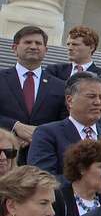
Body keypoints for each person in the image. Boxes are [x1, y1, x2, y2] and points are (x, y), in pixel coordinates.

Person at [0, 26, 68, 157]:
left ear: (45, 50)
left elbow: (64, 122)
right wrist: (15, 126)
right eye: (27, 42)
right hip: (4, 155)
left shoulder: (60, 86)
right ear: (14, 48)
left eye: (38, 43)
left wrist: (38, 134)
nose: (33, 46)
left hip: (42, 156)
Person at [27, 71, 101, 176]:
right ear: (70, 100)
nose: (98, 102)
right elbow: (42, 179)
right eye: (91, 96)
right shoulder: (48, 134)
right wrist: (86, 184)